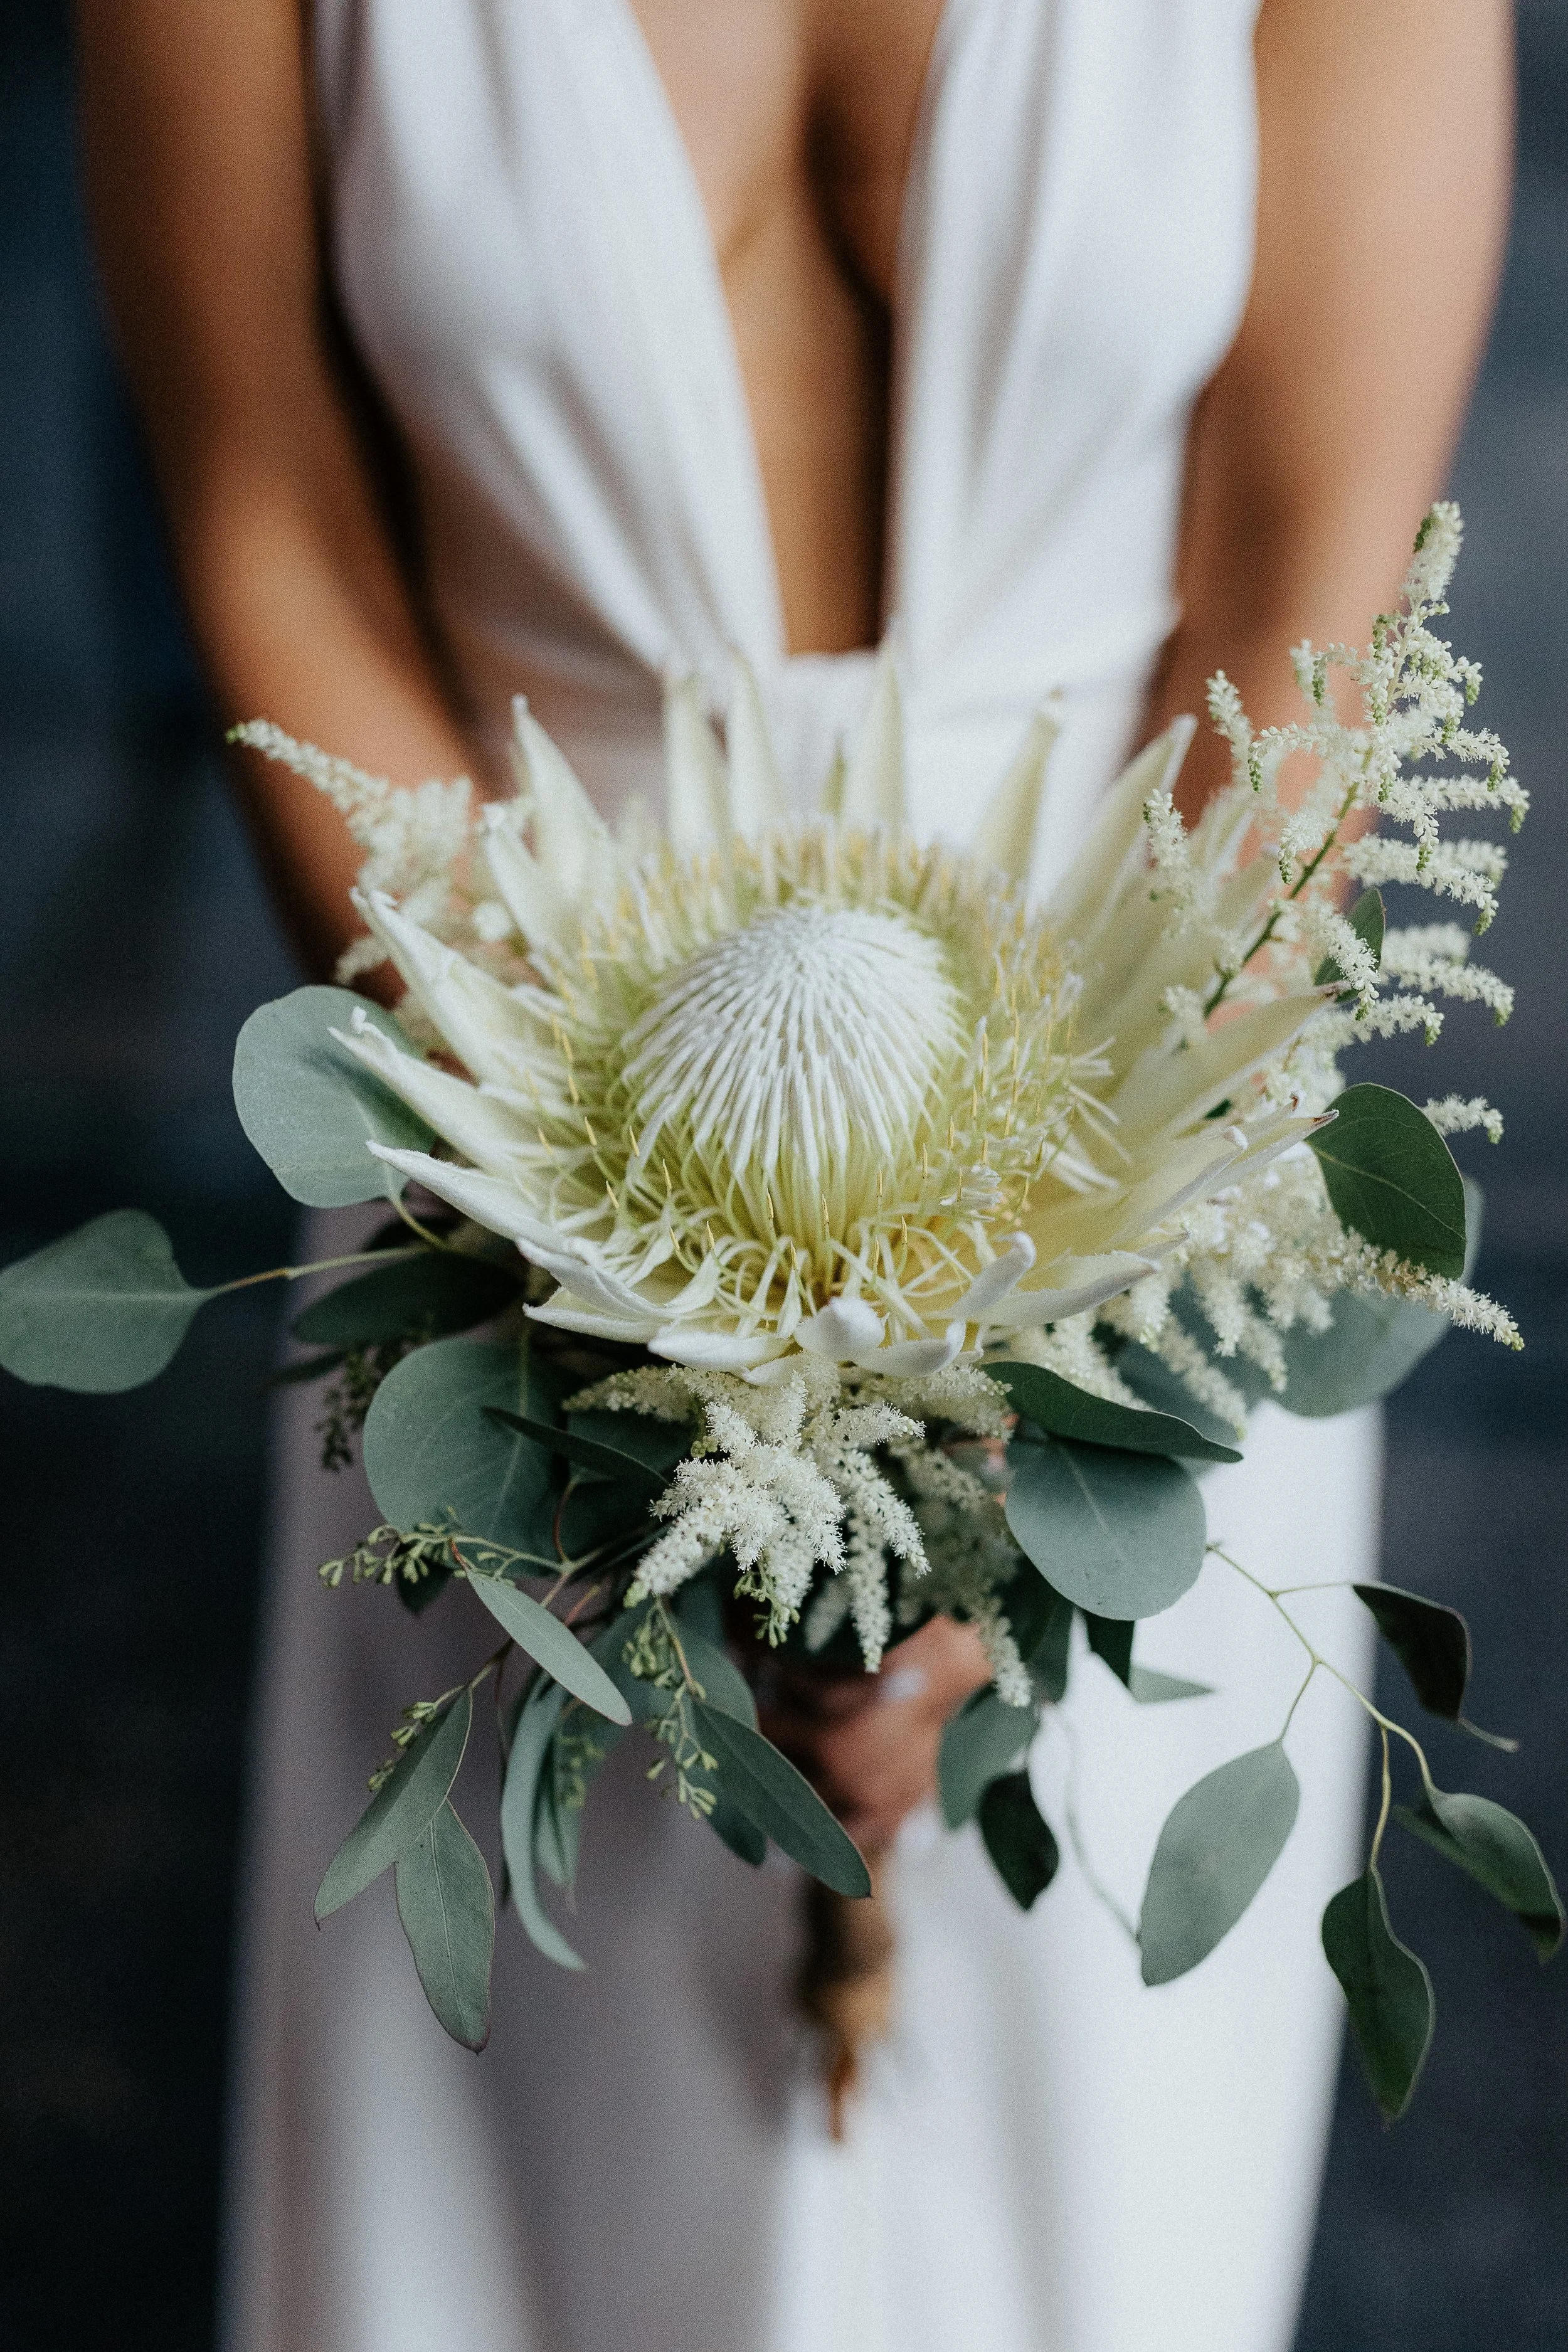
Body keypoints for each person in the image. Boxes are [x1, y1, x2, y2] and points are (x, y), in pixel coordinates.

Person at [75, 2, 1512, 2346]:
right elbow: (278, 538)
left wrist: (1000, 1428)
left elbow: (1303, 598)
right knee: (512, 2245)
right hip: (504, 1199)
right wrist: (605, 1297)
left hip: (1141, 1191)